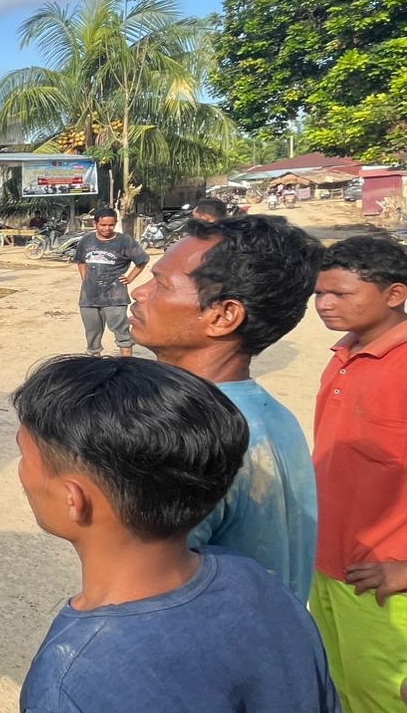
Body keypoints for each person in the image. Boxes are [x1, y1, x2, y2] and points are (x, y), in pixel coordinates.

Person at [14, 355, 343, 713]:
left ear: (75, 500)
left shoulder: (69, 683)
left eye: (24, 456)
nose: (22, 473)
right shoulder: (254, 579)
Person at [127, 215, 323, 600]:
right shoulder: (272, 414)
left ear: (222, 316)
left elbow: (143, 596)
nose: (140, 292)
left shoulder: (187, 435)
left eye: (162, 283)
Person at [309, 236, 407, 713]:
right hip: (331, 567)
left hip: (388, 583)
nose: (324, 305)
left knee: (388, 705)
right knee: (347, 692)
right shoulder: (345, 353)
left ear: (395, 294)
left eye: (341, 295)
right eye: (319, 294)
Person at [74, 207, 148, 357]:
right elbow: (81, 261)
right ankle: (94, 364)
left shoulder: (125, 241)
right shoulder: (86, 240)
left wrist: (130, 278)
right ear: (95, 224)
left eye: (111, 225)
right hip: (89, 298)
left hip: (115, 297)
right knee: (92, 333)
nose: (107, 228)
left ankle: (127, 365)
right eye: (103, 225)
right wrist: (85, 280)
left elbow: (142, 261)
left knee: (122, 332)